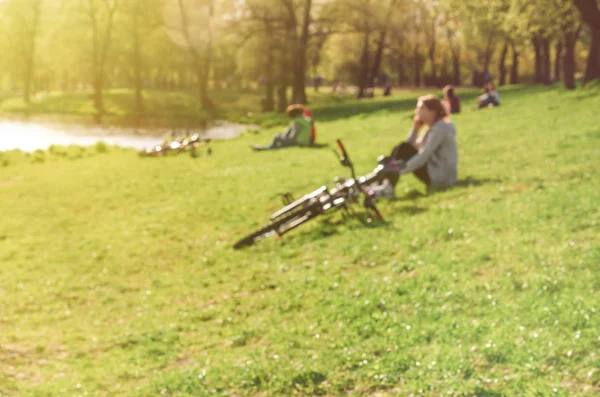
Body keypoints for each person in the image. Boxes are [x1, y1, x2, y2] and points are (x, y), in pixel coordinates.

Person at [369, 95, 458, 198]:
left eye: (421, 108)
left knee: (402, 148)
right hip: (434, 171)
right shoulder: (431, 128)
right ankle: (385, 183)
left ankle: (386, 185)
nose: (417, 111)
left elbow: (423, 155)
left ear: (432, 111)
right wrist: (415, 128)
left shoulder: (440, 128)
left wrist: (398, 170)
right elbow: (410, 146)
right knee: (400, 148)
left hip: (441, 176)